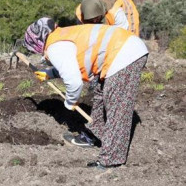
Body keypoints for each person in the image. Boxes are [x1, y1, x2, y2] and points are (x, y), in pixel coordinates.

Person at [23, 17, 148, 170]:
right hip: (123, 49)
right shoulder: (62, 36)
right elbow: (74, 62)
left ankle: (111, 161)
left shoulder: (55, 47)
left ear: (38, 42)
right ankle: (99, 136)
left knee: (116, 108)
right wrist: (50, 73)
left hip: (124, 53)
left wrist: (69, 102)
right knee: (101, 98)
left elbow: (74, 82)